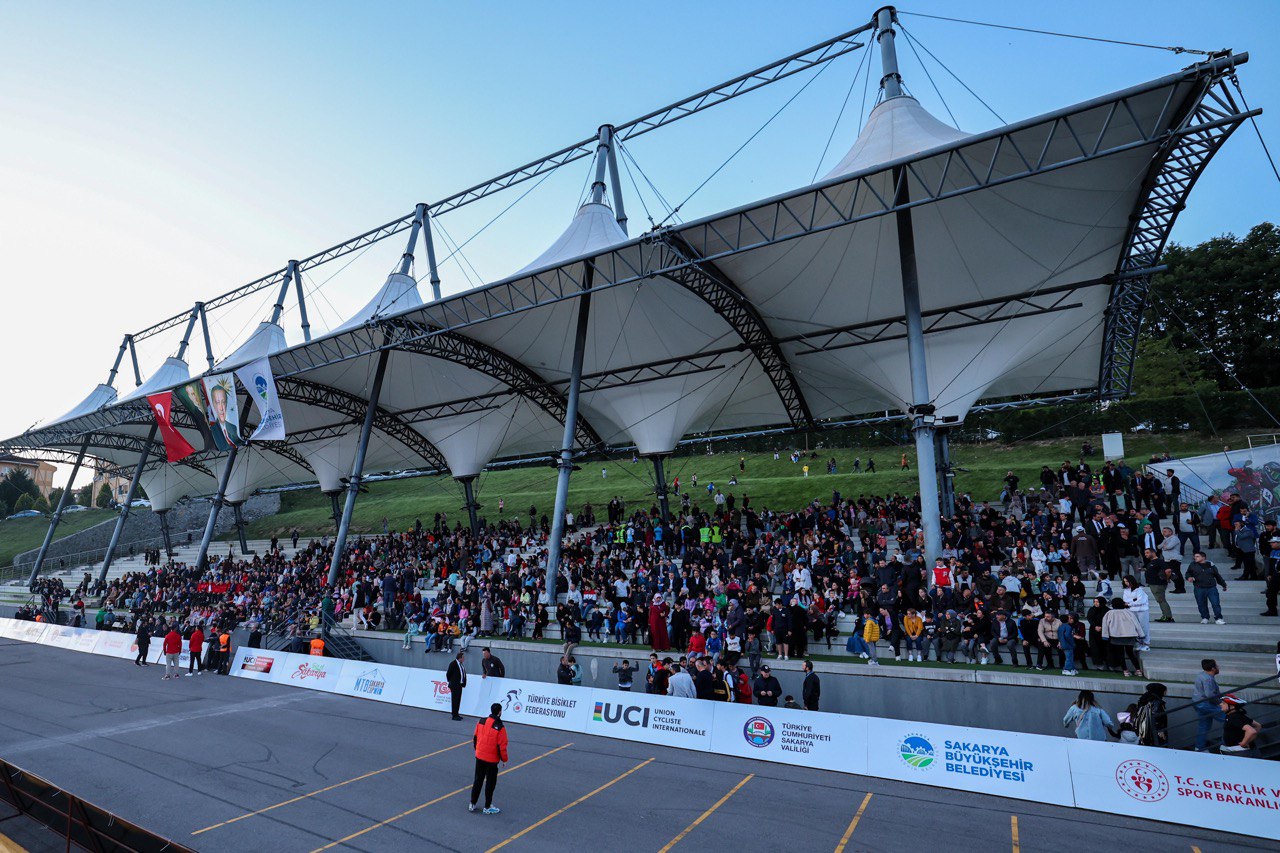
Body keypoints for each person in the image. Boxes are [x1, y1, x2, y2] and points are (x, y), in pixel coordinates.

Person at [469, 703, 508, 815]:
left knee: (478, 780)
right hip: (491, 760)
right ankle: (487, 806)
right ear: (499, 712)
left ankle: (472, 803)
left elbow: (475, 737)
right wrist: (504, 759)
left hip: (480, 756)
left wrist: (477, 749)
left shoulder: (481, 721)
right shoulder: (500, 727)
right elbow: (502, 746)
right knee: (490, 783)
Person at [1101, 598, 1143, 677]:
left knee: (1120, 654)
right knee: (1130, 653)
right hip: (1129, 635)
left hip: (1116, 636)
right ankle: (1138, 670)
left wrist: (1105, 636)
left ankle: (1125, 671)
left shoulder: (1109, 613)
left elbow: (1105, 625)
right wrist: (1141, 634)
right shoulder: (1128, 612)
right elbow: (1137, 623)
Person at [1191, 658, 1224, 751]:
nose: (1218, 667)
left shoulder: (1202, 675)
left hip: (1199, 703)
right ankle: (1227, 744)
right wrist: (1221, 703)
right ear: (1213, 668)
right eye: (1217, 666)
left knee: (1204, 725)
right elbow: (1209, 695)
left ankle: (1199, 747)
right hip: (1206, 704)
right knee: (1228, 719)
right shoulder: (1208, 679)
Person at [1186, 552, 1228, 624]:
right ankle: (1205, 617)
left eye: (1197, 556)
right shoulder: (1192, 564)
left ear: (1203, 558)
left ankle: (1218, 618)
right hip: (1198, 587)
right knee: (1201, 603)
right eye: (1195, 556)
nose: (1195, 558)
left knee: (1215, 603)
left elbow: (1217, 575)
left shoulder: (1211, 565)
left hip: (1211, 588)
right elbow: (1188, 573)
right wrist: (1189, 577)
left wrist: (1223, 584)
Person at [447, 652, 468, 720]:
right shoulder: (453, 664)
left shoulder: (461, 664)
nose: (464, 659)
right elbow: (448, 674)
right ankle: (454, 715)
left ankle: (457, 713)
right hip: (454, 685)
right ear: (460, 658)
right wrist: (452, 682)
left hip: (459, 685)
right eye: (463, 657)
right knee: (454, 700)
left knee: (458, 700)